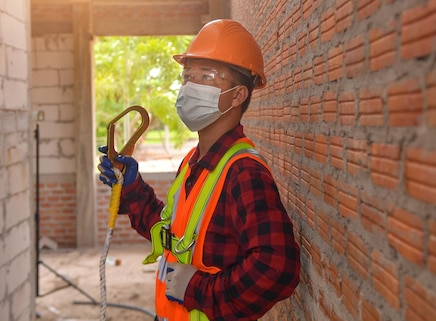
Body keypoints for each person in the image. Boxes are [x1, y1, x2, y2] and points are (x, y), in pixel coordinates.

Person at [98, 19, 300, 321]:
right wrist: (131, 189)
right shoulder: (194, 160)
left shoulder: (243, 173)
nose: (190, 86)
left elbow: (277, 267)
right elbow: (171, 235)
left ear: (237, 95)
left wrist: (199, 289)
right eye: (188, 75)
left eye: (207, 76)